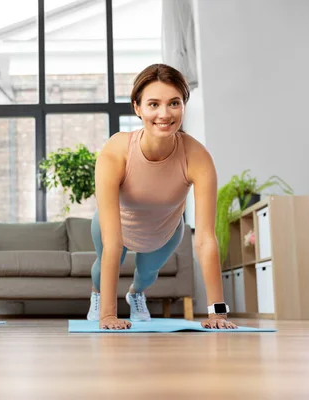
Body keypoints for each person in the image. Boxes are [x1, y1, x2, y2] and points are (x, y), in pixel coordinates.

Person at [87, 63, 237, 330]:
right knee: (104, 265)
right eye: (153, 104)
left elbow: (204, 240)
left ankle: (135, 294)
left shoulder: (197, 157)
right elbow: (112, 242)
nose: (164, 114)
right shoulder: (116, 151)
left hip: (164, 232)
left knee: (147, 275)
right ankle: (99, 298)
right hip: (114, 226)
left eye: (174, 103)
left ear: (183, 105)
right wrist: (108, 316)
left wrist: (218, 313)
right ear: (137, 107)